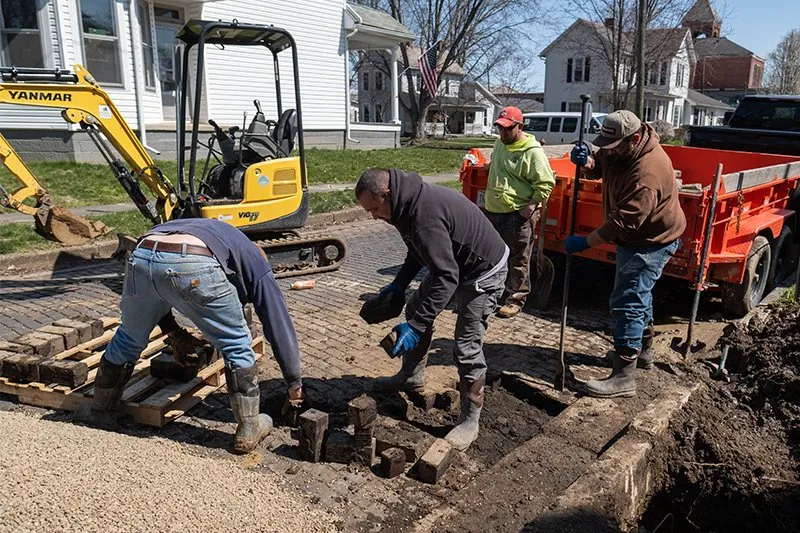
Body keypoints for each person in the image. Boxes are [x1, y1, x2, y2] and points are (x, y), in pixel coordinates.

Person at [78, 218, 303, 453]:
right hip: (194, 259)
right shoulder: (257, 264)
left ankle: (101, 411)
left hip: (142, 253)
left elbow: (156, 294)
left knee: (128, 337)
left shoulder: (220, 235)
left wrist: (175, 334)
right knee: (236, 345)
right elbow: (277, 323)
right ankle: (248, 430)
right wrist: (294, 382)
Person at [356, 168, 509, 451]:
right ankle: (412, 377)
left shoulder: (422, 214)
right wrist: (398, 285)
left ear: (386, 194)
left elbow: (446, 276)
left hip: (484, 272)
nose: (374, 216)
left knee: (466, 346)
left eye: (375, 209)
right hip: (456, 265)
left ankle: (469, 420)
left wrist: (416, 326)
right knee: (415, 307)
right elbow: (419, 250)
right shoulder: (403, 206)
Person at [568, 110, 686, 398]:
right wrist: (587, 162)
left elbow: (623, 222)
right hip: (636, 238)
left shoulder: (648, 171)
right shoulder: (623, 147)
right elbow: (601, 166)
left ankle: (623, 376)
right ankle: (642, 354)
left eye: (614, 145)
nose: (610, 150)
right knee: (638, 297)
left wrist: (586, 242)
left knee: (627, 300)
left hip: (651, 241)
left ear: (633, 138)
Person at [484, 106, 556, 318]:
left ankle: (515, 299)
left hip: (517, 214)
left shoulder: (532, 152)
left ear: (519, 127)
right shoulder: (500, 144)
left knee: (518, 258)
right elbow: (499, 165)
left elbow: (545, 183)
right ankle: (493, 293)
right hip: (493, 210)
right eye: (500, 129)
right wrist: (488, 166)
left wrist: (530, 207)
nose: (503, 133)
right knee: (493, 256)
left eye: (508, 129)